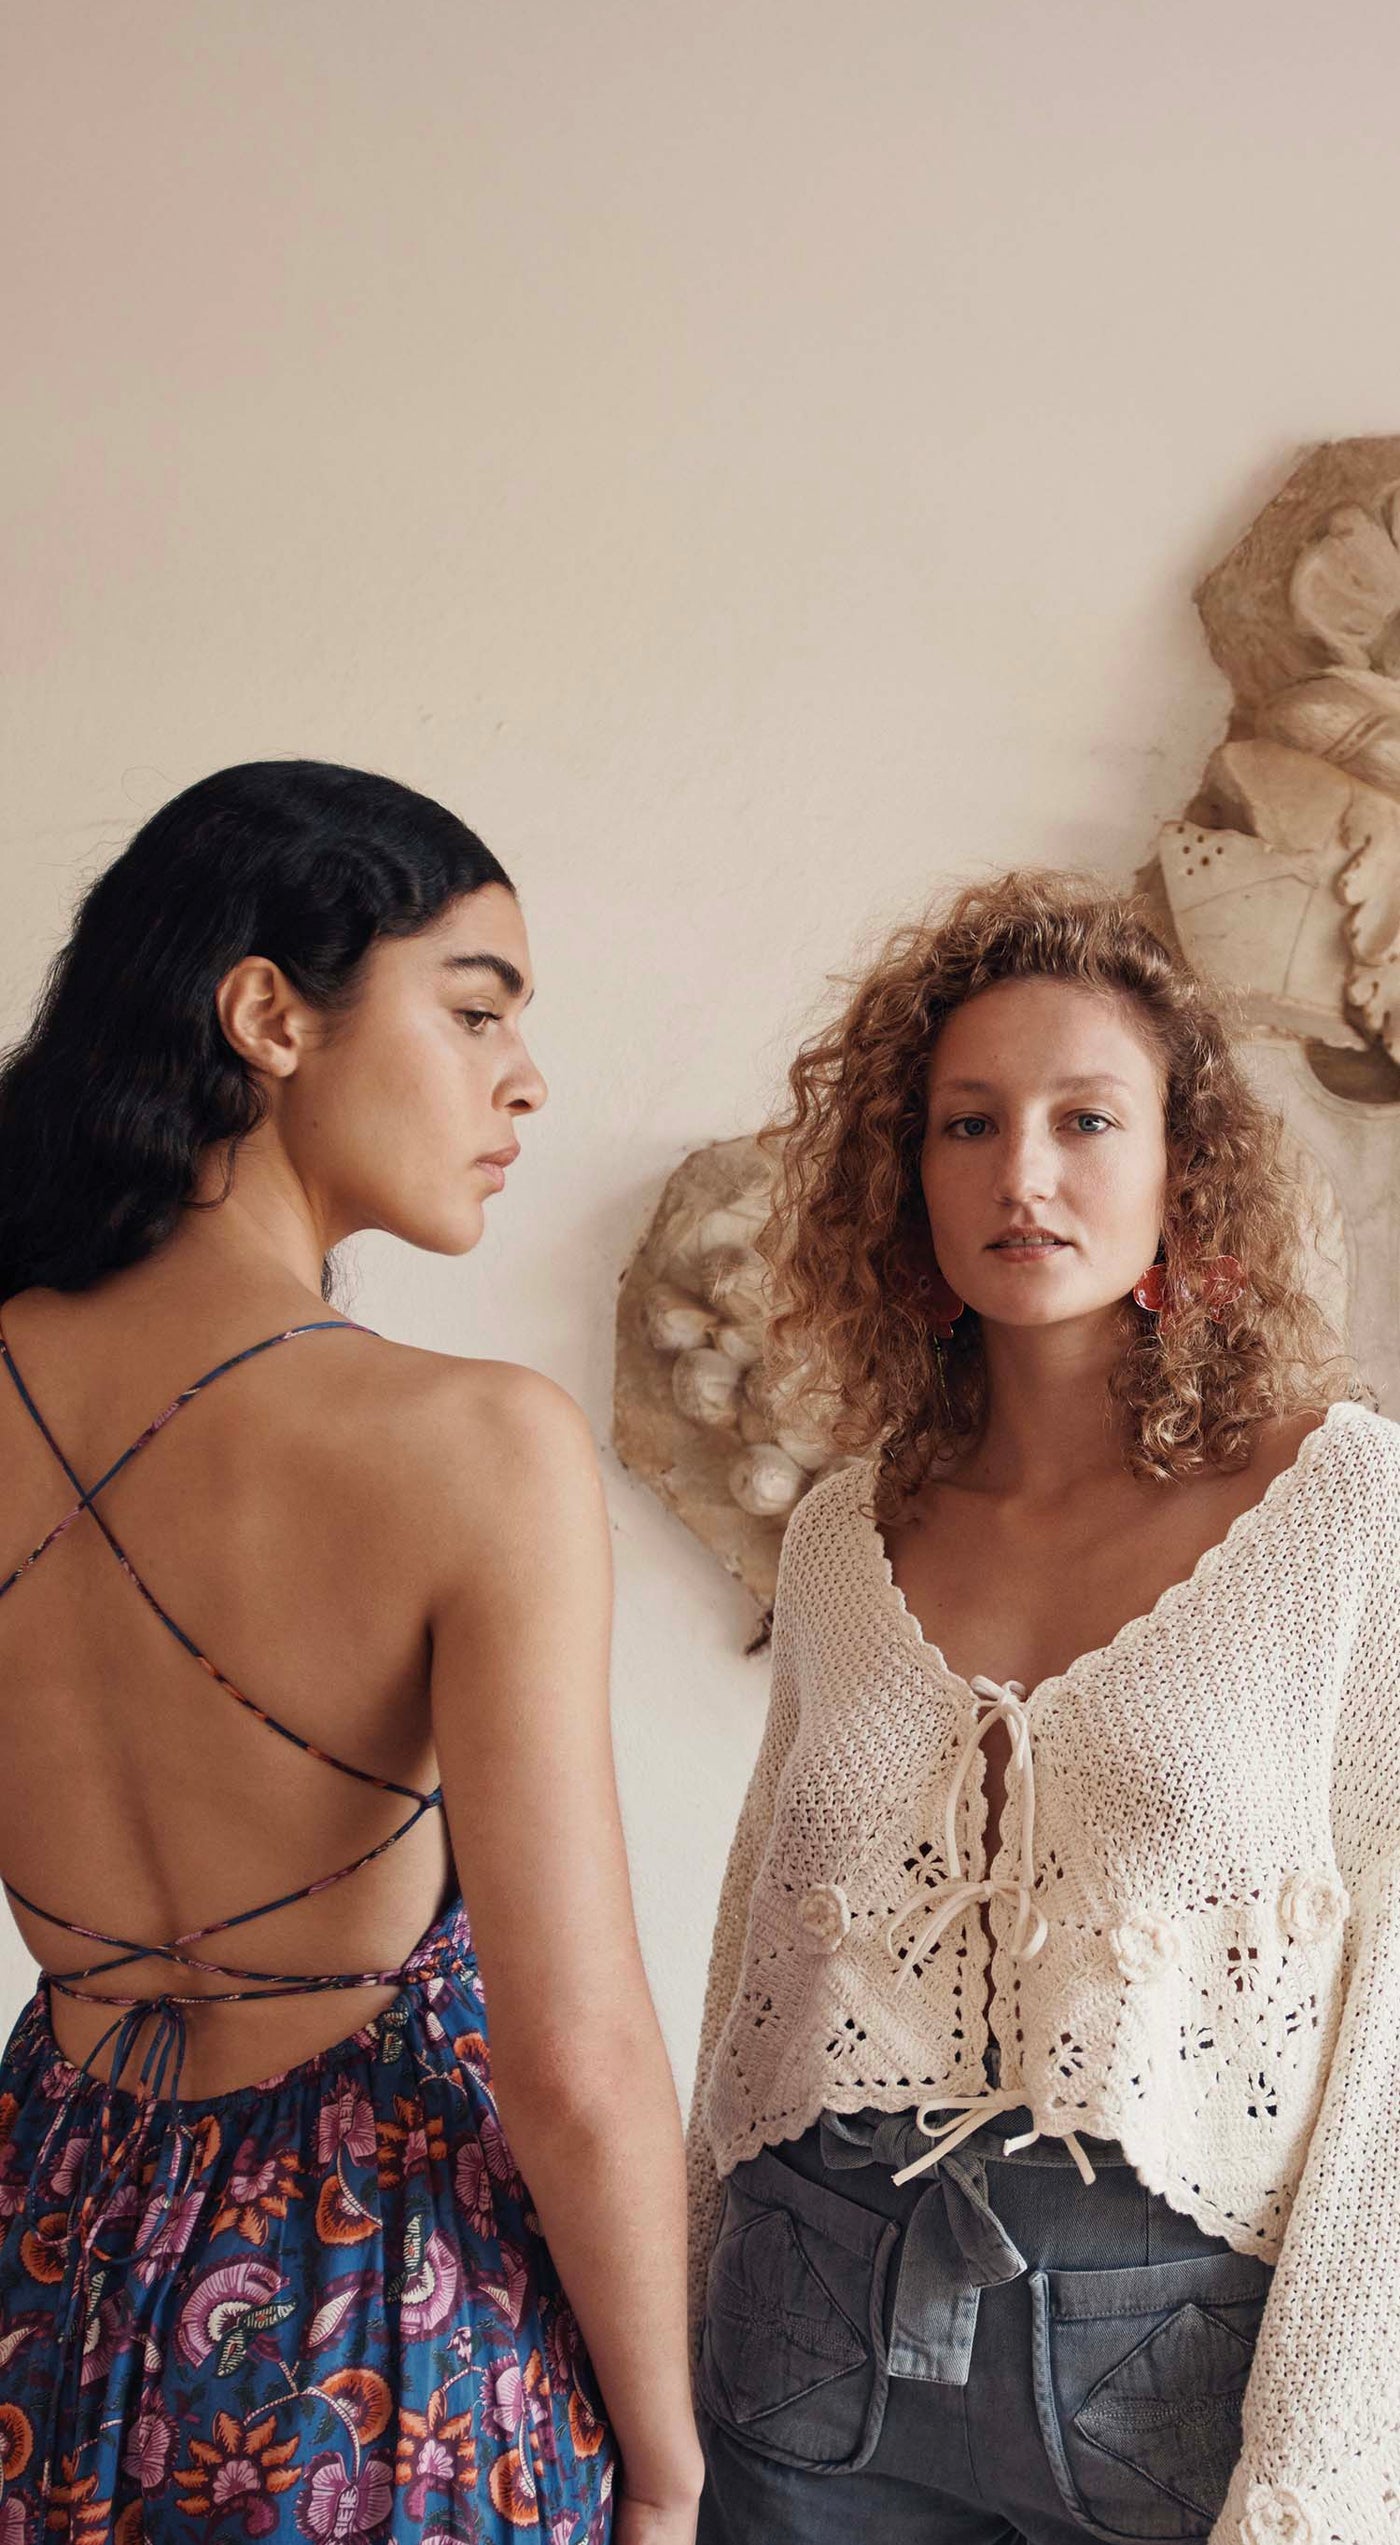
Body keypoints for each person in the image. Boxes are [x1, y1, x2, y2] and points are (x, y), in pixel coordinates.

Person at [0, 761, 703, 2545]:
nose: (523, 1077)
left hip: (40, 2264)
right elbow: (575, 2056)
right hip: (372, 2324)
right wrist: (671, 2466)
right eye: (474, 1010)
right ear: (270, 1016)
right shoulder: (475, 1446)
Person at [687, 868, 1400, 2545]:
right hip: (807, 2323)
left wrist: (1321, 2457)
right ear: (906, 1174)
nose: (1023, 1172)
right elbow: (748, 1971)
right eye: (968, 1123)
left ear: (1180, 1167)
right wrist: (665, 2328)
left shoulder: (1343, 1509)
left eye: (1087, 1118)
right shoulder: (845, 1532)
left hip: (1172, 2356)